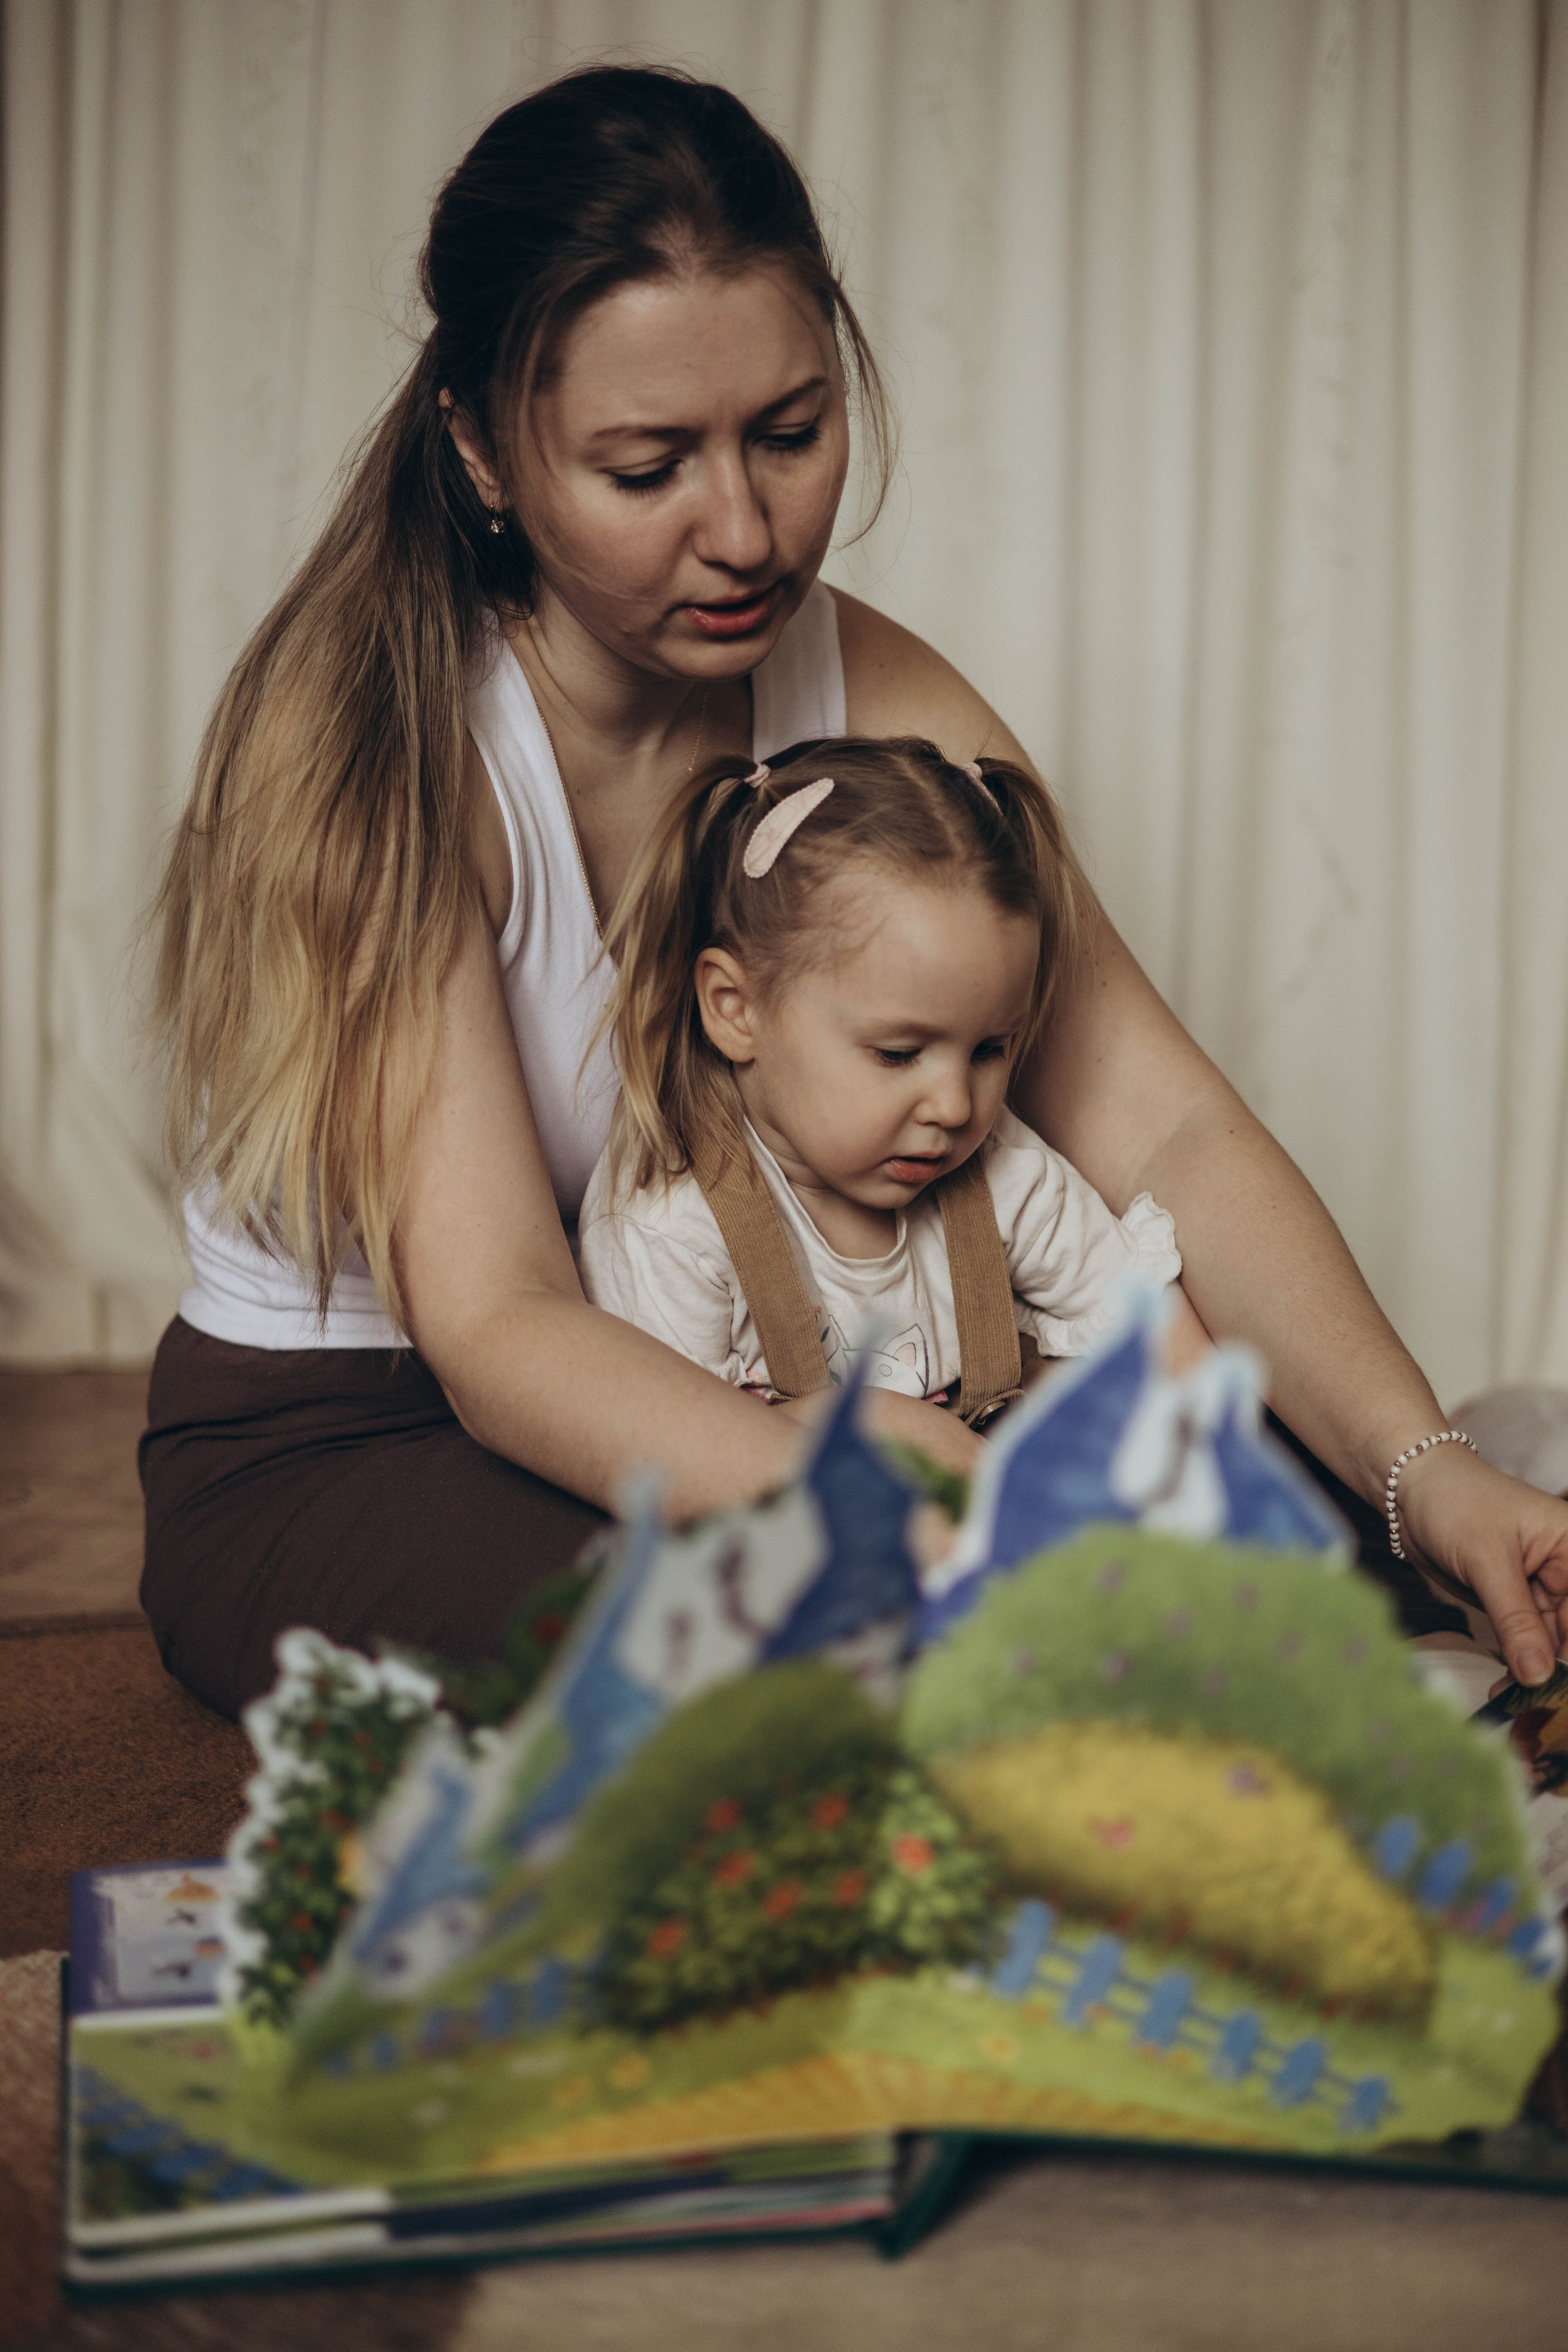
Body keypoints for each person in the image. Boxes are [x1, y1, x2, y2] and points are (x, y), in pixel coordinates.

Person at [142, 63, 1568, 1722]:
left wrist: (1422, 1473)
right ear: (479, 448)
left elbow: (1169, 1134)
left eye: (790, 435)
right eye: (648, 466)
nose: (744, 530)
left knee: (1272, 1505)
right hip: (353, 1440)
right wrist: (847, 1482)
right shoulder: (376, 747)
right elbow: (504, 1324)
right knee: (857, 1650)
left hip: (741, 1379)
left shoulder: (876, 686)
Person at [577, 736, 1206, 1407]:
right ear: (737, 1010)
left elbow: (1157, 1333)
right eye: (898, 1054)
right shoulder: (670, 1230)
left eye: (989, 1049)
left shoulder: (1001, 1171)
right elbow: (681, 1447)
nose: (955, 1106)